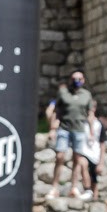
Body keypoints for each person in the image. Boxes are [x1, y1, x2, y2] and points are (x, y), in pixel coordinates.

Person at [46, 69, 93, 200]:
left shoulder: (87, 95)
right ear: (70, 80)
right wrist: (52, 128)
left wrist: (91, 133)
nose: (76, 81)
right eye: (74, 78)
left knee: (77, 160)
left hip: (79, 130)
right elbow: (56, 111)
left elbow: (90, 114)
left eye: (79, 79)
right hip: (64, 128)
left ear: (83, 80)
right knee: (60, 156)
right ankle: (54, 188)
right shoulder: (63, 93)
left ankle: (74, 187)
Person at [83, 101, 106, 199]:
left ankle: (95, 199)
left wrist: (101, 162)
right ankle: (87, 190)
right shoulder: (82, 123)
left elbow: (102, 143)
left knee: (94, 177)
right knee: (83, 165)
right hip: (84, 151)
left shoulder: (99, 124)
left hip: (95, 154)